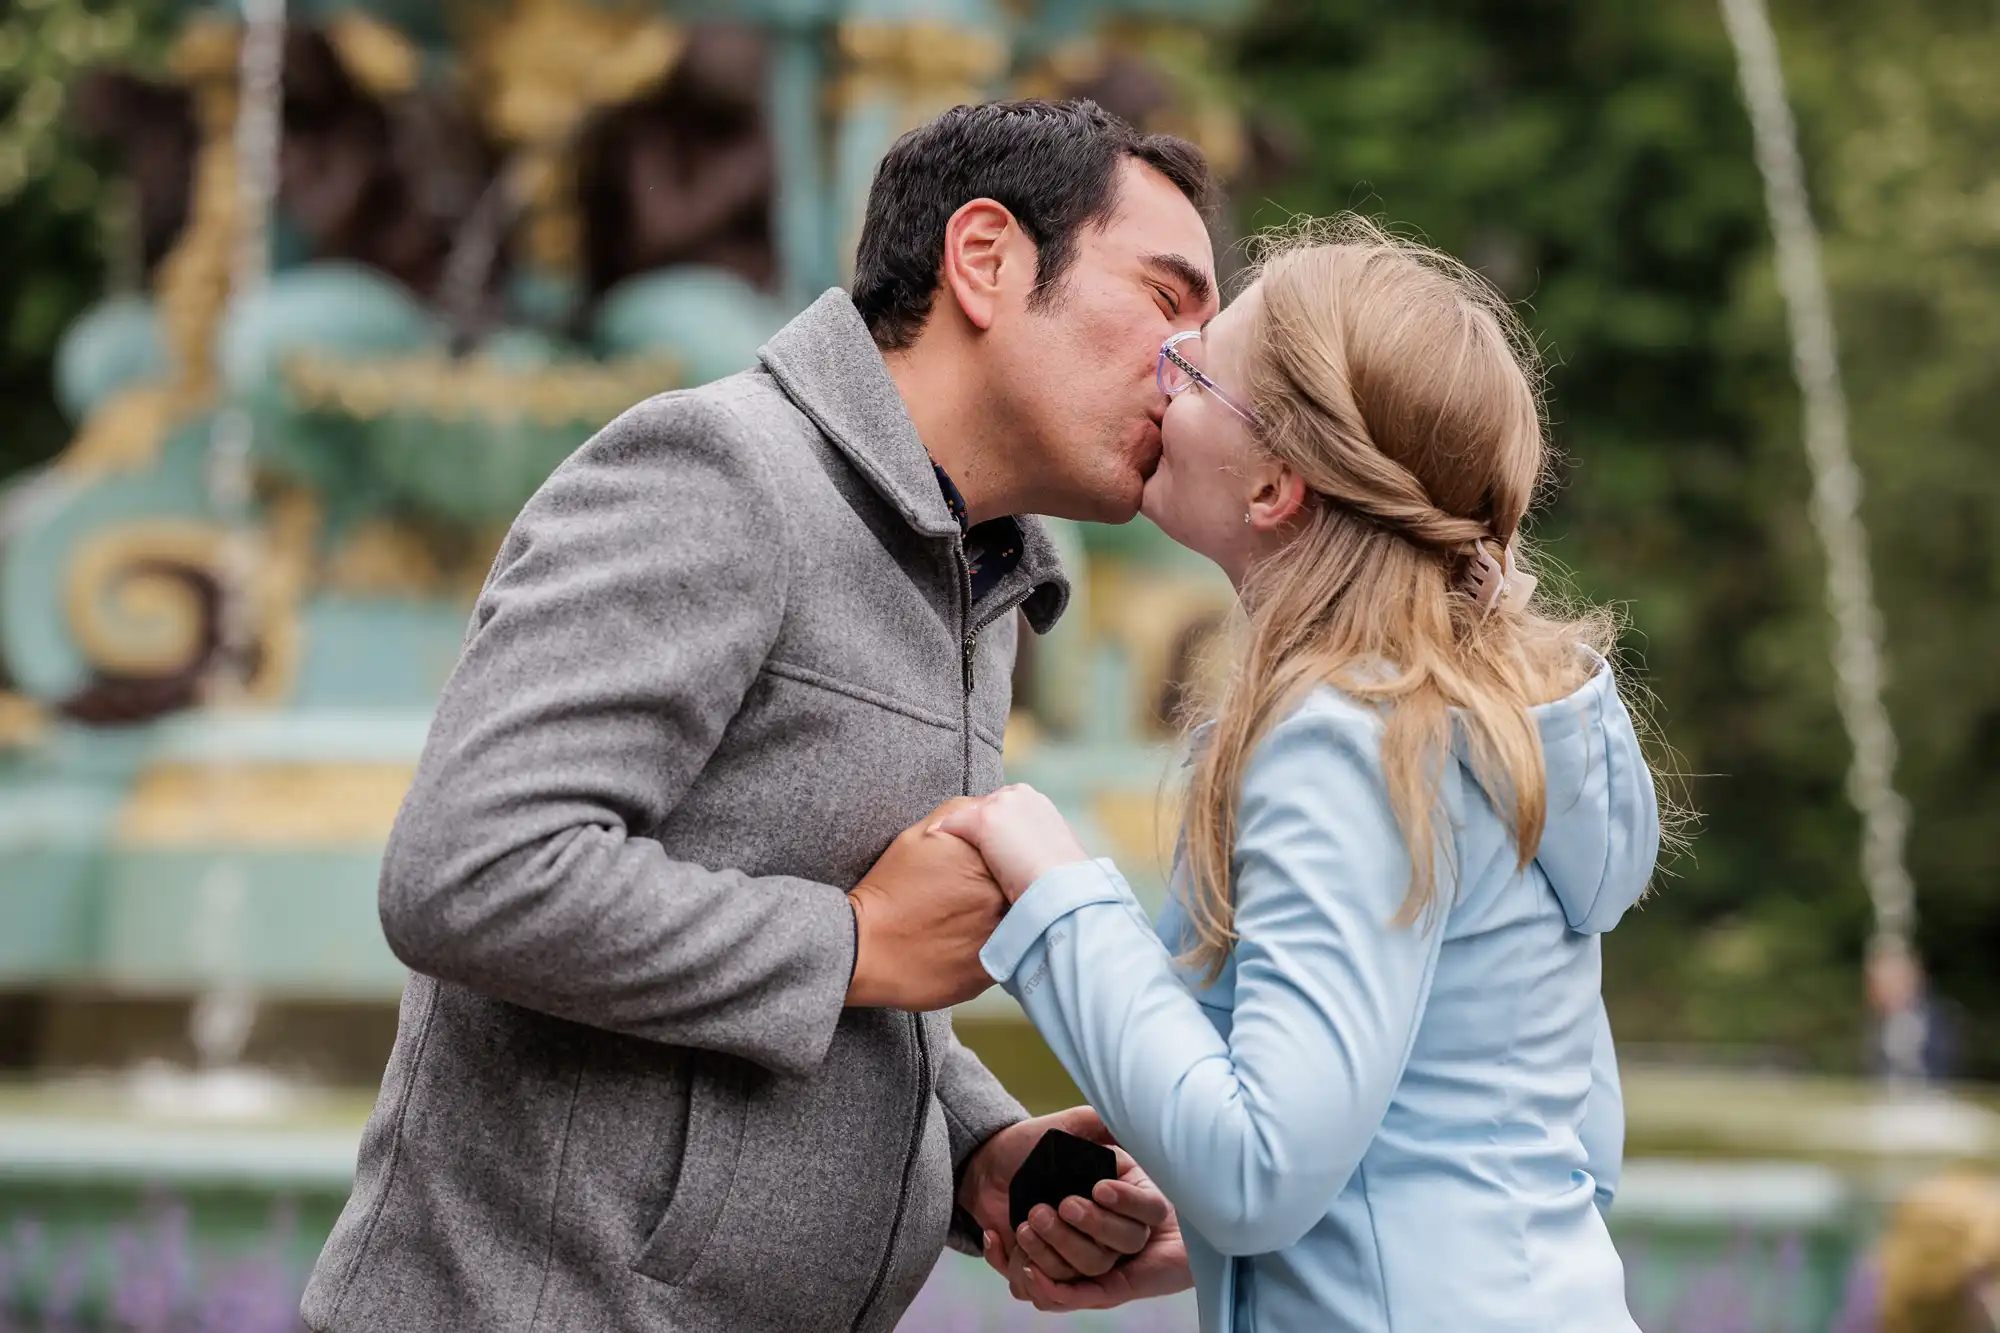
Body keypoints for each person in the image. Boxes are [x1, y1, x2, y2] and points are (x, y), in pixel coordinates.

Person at [300, 100, 1215, 1333]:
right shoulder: (716, 473)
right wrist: (849, 940)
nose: (1195, 365)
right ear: (985, 258)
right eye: (1168, 300)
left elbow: (794, 932)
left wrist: (977, 1150)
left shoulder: (979, 578)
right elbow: (467, 870)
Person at [934, 219, 1668, 1332]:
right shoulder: (1469, 720)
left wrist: (1056, 890)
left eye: (1191, 371)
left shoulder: (1344, 737)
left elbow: (1256, 1168)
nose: (1158, 383)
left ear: (1275, 481)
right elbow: (1543, 1140)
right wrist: (1222, 1239)